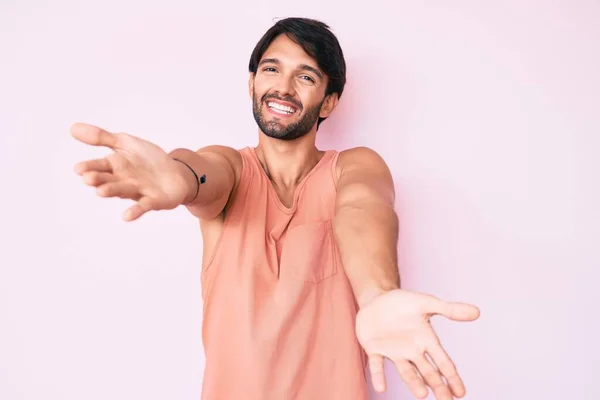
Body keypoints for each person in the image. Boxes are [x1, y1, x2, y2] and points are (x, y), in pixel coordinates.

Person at [71, 17, 480, 400]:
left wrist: (376, 294)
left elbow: (363, 208)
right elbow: (201, 172)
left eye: (305, 76)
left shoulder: (353, 167)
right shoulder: (229, 166)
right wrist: (177, 178)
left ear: (328, 103)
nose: (283, 87)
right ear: (251, 83)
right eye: (271, 69)